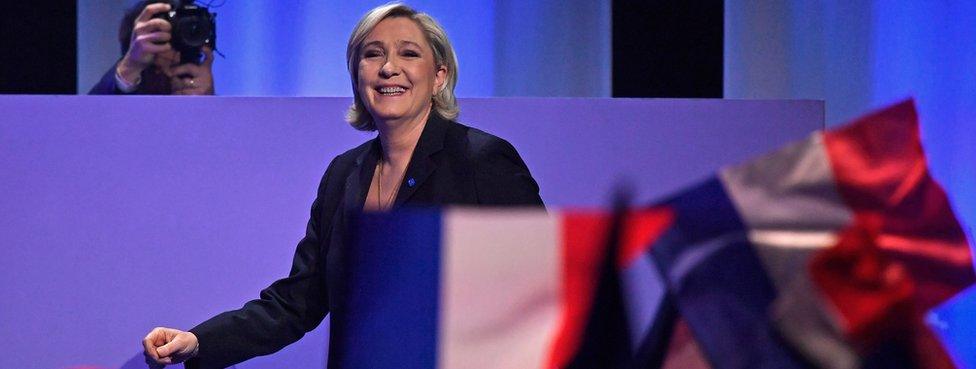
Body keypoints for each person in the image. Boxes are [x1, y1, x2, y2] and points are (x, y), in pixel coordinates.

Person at [141, 3, 544, 368]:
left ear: (439, 76)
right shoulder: (343, 174)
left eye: (408, 53)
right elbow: (298, 301)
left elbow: (537, 294)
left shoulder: (481, 160)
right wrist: (198, 341)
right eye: (373, 54)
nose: (389, 68)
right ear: (357, 75)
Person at [88, 0, 214, 95]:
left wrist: (209, 106)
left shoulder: (205, 96)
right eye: (157, 70)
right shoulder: (131, 72)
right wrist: (129, 69)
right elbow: (87, 117)